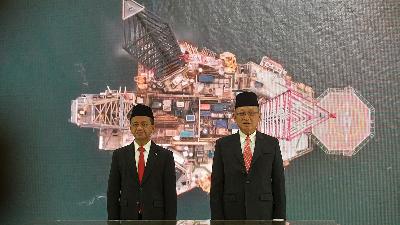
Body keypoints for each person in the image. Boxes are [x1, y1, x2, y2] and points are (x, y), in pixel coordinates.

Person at [210, 91, 286, 220]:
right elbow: (216, 187)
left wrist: (279, 220)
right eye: (242, 113)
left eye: (251, 113)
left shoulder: (271, 144)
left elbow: (278, 184)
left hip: (263, 214)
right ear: (234, 116)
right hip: (232, 215)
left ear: (259, 116)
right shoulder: (222, 145)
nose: (247, 117)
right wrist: (217, 221)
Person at [107, 104, 177, 220]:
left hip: (155, 219)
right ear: (130, 128)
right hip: (127, 218)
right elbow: (112, 194)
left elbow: (170, 197)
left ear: (152, 128)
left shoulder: (166, 156)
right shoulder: (119, 155)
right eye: (135, 124)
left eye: (144, 124)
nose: (139, 128)